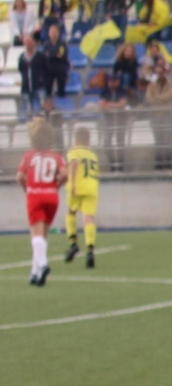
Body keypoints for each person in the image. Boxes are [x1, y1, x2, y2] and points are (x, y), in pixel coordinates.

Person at [18, 119, 67, 286]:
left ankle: (43, 264)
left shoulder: (29, 156)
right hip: (52, 196)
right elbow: (65, 174)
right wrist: (56, 186)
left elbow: (20, 177)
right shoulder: (56, 156)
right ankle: (36, 274)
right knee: (43, 234)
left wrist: (27, 188)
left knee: (35, 233)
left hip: (35, 195)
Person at [62, 126, 100, 268]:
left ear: (76, 139)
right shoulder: (92, 154)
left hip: (77, 186)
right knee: (88, 218)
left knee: (71, 212)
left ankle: (73, 244)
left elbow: (73, 164)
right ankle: (90, 250)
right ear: (89, 140)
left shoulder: (74, 151)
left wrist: (72, 185)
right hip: (92, 187)